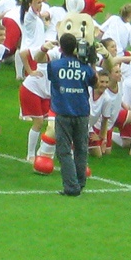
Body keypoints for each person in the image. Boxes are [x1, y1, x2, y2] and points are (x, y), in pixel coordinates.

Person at [46, 33, 97, 196]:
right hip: (82, 112)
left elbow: (51, 77)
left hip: (63, 112)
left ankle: (71, 186)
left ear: (61, 47)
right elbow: (94, 82)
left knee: (64, 150)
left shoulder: (54, 65)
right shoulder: (84, 67)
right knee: (81, 149)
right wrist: (91, 62)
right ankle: (80, 183)